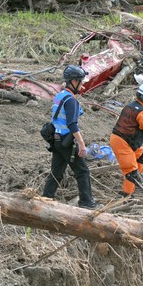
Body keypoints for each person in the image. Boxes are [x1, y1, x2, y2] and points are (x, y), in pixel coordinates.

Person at [42, 65, 100, 209]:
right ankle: (86, 202)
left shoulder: (60, 95)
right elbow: (73, 124)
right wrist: (81, 144)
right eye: (81, 81)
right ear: (74, 81)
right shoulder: (71, 101)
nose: (83, 84)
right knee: (82, 171)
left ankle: (45, 198)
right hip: (66, 141)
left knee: (56, 172)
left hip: (56, 140)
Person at [109, 82, 143, 196]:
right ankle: (127, 194)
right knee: (130, 171)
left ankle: (135, 185)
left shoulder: (130, 106)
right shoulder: (142, 111)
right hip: (123, 143)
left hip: (124, 141)